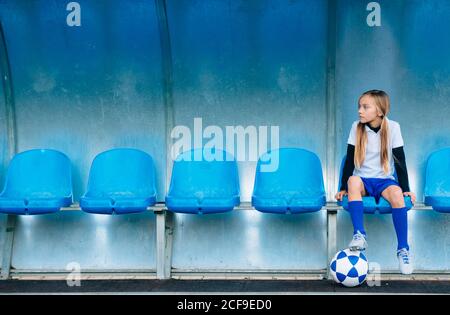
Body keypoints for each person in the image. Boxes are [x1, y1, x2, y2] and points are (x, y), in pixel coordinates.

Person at [335, 89, 416, 275]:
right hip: (363, 181)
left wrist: (406, 189)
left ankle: (403, 249)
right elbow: (349, 160)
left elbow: (399, 160)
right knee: (353, 181)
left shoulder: (393, 127)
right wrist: (342, 188)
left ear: (379, 111)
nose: (360, 111)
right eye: (359, 106)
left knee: (397, 195)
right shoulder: (356, 127)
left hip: (384, 181)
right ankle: (359, 234)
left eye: (365, 107)